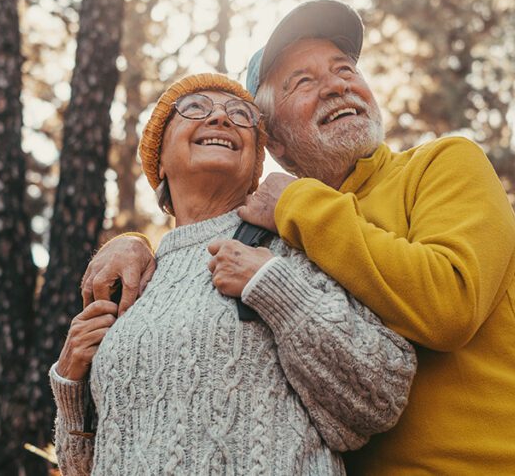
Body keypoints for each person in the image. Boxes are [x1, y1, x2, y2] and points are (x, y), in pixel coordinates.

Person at [84, 2, 515, 474]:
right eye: (302, 81)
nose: (336, 86)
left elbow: (450, 304)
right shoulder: (275, 234)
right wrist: (134, 244)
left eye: (345, 70)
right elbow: (197, 245)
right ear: (276, 142)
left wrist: (295, 204)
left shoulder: (442, 165)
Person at [52, 72, 416, 476]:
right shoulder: (132, 282)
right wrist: (70, 390)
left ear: (255, 165)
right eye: (195, 108)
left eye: (241, 115)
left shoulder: (289, 246)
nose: (220, 119)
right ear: (158, 158)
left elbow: (380, 397)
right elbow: (83, 469)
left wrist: (277, 288)